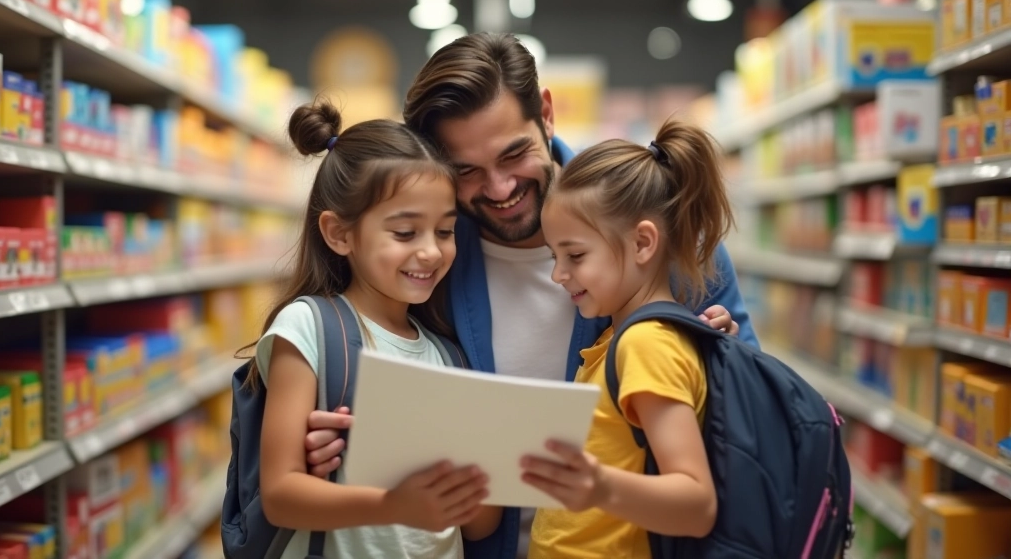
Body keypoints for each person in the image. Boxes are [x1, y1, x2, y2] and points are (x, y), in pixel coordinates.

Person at [302, 32, 759, 559]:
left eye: (514, 154)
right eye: (466, 171)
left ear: (545, 112)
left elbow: (745, 429)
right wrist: (338, 444)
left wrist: (718, 365)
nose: (498, 189)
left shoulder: (662, 236)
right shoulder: (427, 261)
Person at [251, 100, 502, 559]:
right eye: (405, 233)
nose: (430, 252)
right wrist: (394, 504)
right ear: (339, 233)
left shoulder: (447, 354)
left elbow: (482, 524)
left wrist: (481, 461)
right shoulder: (309, 327)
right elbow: (281, 496)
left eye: (445, 232)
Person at [520, 119, 727, 558]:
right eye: (555, 256)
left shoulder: (645, 345)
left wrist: (599, 485)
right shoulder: (625, 337)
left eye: (575, 255)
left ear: (643, 242)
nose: (559, 274)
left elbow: (696, 504)